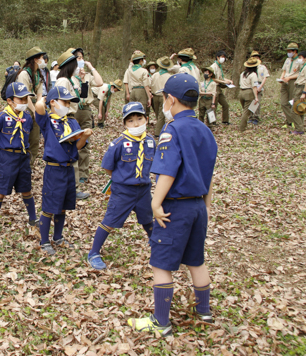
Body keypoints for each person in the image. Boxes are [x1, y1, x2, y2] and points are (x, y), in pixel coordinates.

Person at [127, 74, 217, 336]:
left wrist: (155, 203)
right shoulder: (205, 130)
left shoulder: (172, 130)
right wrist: (207, 206)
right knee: (196, 261)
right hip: (198, 206)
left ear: (171, 99)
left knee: (161, 264)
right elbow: (208, 172)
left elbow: (167, 172)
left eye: (164, 98)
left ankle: (161, 322)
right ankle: (204, 311)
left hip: (175, 207)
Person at [87, 102, 155, 270]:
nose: (136, 124)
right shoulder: (119, 143)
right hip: (123, 191)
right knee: (110, 221)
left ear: (146, 119)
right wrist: (121, 179)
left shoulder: (151, 141)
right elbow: (107, 166)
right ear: (125, 124)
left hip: (144, 190)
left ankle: (157, 246)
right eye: (131, 121)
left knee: (149, 220)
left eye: (140, 119)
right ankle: (94, 252)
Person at [35, 85, 92, 255]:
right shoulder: (47, 121)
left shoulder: (72, 121)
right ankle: (44, 241)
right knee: (49, 206)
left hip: (69, 169)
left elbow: (78, 146)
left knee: (62, 206)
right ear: (53, 102)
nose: (67, 105)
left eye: (69, 102)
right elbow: (39, 107)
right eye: (64, 101)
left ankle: (58, 237)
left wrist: (85, 136)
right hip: (54, 170)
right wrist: (43, 98)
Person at [0, 82, 38, 238]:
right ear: (10, 100)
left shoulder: (27, 117)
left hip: (23, 157)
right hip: (6, 158)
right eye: (20, 99)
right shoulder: (1, 116)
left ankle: (33, 218)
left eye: (26, 99)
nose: (24, 102)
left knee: (26, 189)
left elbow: (29, 134)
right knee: (0, 191)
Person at [55, 49, 102, 199]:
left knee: (74, 151)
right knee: (69, 151)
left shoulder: (69, 80)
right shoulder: (63, 81)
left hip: (72, 117)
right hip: (66, 118)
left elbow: (81, 96)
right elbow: (58, 102)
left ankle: (72, 187)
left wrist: (82, 80)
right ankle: (71, 188)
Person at [68, 48, 103, 186]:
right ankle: (72, 172)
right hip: (72, 112)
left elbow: (100, 83)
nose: (79, 60)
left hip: (85, 111)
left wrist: (90, 68)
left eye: (81, 57)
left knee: (85, 144)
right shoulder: (68, 76)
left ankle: (83, 173)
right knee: (72, 142)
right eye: (77, 58)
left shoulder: (86, 75)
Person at [16, 47, 46, 166]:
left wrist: (38, 108)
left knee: (35, 139)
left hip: (35, 107)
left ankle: (30, 164)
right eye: (41, 58)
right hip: (25, 106)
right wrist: (34, 110)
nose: (43, 60)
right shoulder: (24, 74)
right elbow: (24, 95)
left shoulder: (39, 74)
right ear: (35, 59)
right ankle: (20, 164)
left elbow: (39, 93)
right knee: (24, 136)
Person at [287, 50, 306, 135]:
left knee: (294, 110)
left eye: (301, 58)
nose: (299, 59)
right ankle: (300, 127)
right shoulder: (303, 66)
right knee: (300, 108)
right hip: (297, 87)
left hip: (301, 88)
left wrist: (304, 92)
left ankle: (299, 128)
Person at [149, 57, 175, 138]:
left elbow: (151, 85)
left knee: (158, 114)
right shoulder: (169, 76)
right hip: (164, 96)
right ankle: (158, 132)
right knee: (161, 115)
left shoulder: (155, 75)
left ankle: (160, 128)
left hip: (155, 96)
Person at [279, 43, 302, 130]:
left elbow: (300, 74)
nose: (288, 53)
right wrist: (282, 78)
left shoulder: (300, 61)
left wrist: (290, 78)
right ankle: (290, 120)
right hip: (285, 81)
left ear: (295, 51)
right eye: (288, 51)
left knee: (292, 102)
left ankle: (291, 122)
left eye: (290, 51)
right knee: (283, 103)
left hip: (293, 81)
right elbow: (284, 70)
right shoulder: (288, 60)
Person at [209, 51, 233, 125]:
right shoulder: (213, 66)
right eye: (222, 57)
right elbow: (212, 78)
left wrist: (228, 80)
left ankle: (225, 121)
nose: (223, 58)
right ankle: (212, 122)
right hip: (214, 87)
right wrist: (223, 82)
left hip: (219, 87)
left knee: (225, 104)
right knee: (213, 106)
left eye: (224, 57)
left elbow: (220, 78)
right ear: (217, 57)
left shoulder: (219, 66)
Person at [238, 58, 261, 132]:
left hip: (241, 92)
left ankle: (245, 124)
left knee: (245, 110)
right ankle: (242, 128)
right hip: (248, 92)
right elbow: (254, 87)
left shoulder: (243, 73)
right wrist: (256, 97)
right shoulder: (253, 75)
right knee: (246, 112)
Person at [249, 51, 270, 124]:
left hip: (259, 84)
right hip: (251, 86)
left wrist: (261, 86)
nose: (256, 58)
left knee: (257, 101)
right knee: (251, 101)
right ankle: (251, 116)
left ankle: (256, 117)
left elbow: (265, 77)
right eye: (254, 57)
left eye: (257, 57)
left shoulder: (262, 67)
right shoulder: (250, 67)